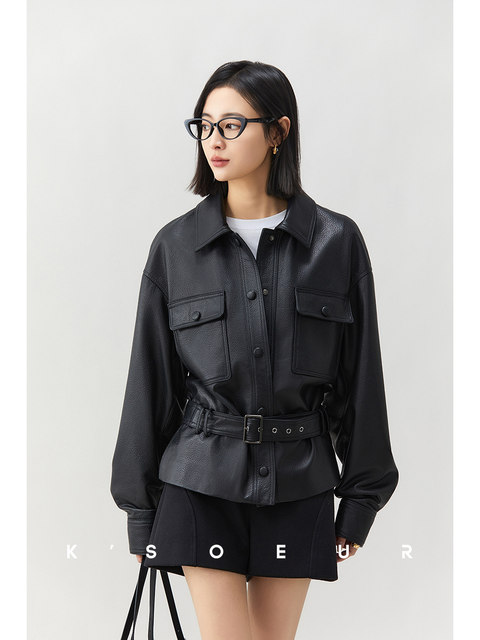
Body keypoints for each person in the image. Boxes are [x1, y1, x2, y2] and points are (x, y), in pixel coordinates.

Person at [110, 60, 399, 640]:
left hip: (300, 483)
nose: (213, 140)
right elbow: (150, 383)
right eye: (204, 125)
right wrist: (141, 511)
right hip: (200, 484)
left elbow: (360, 379)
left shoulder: (336, 243)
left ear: (278, 132)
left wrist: (361, 499)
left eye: (232, 125)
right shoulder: (176, 246)